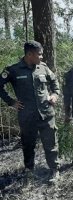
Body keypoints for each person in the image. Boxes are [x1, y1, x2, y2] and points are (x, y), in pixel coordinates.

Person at [0, 40, 60, 182]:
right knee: (28, 144)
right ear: (29, 54)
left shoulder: (43, 67)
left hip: (46, 113)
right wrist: (11, 102)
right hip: (27, 116)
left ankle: (54, 170)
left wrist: (55, 95)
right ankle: (29, 172)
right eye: (39, 55)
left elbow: (54, 81)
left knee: (51, 143)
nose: (41, 57)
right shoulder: (13, 70)